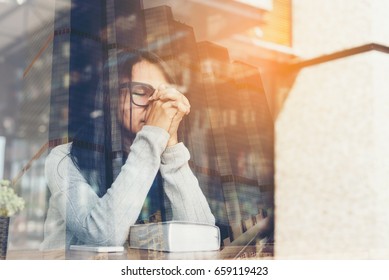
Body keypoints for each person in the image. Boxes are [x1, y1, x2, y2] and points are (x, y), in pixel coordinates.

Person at [40, 51, 215, 250]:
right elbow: (103, 236)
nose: (156, 106)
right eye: (140, 92)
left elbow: (204, 237)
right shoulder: (64, 158)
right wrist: (153, 134)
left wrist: (171, 147)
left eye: (164, 97)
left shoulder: (160, 160)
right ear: (111, 97)